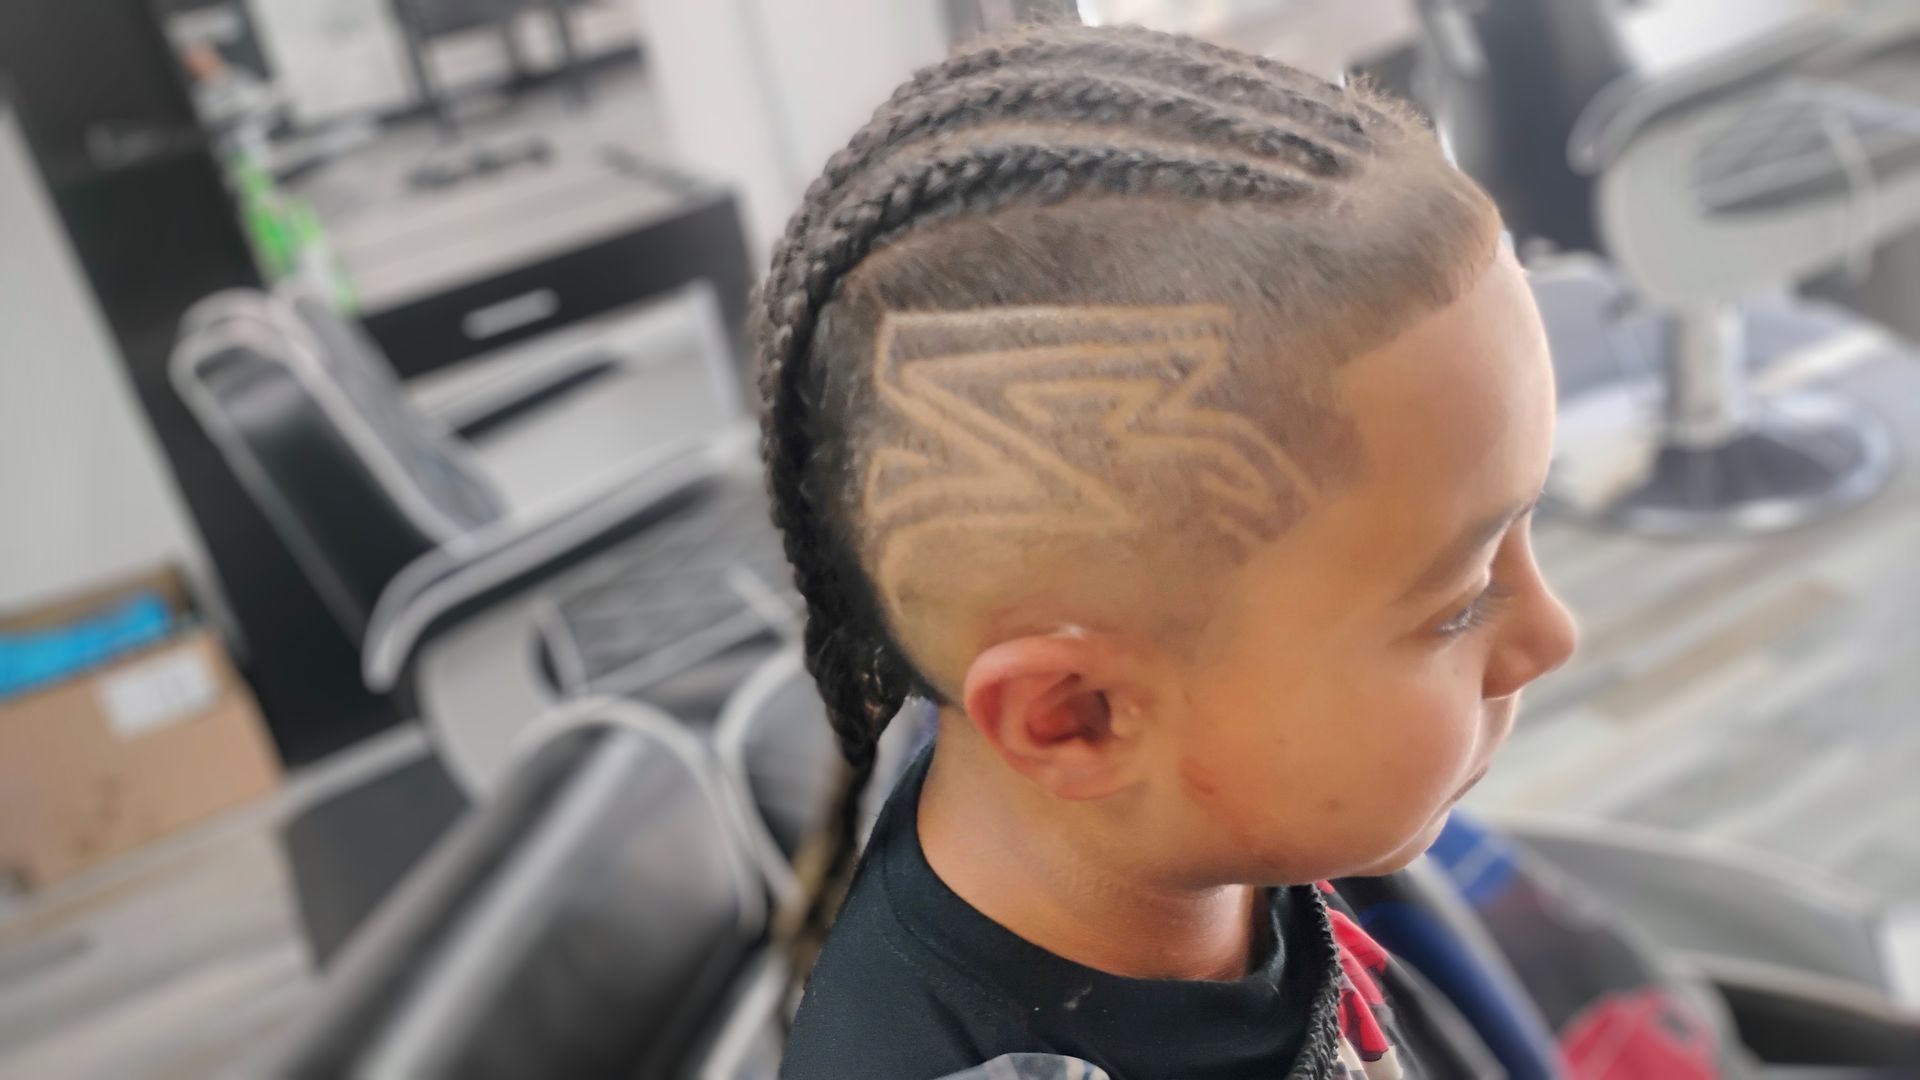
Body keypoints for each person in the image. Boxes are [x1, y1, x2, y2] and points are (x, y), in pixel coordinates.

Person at [754, 21, 1579, 1079]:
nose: (1550, 636)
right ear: (1079, 718)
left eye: (1523, 526)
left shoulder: (1217, 815)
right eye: (1458, 602)